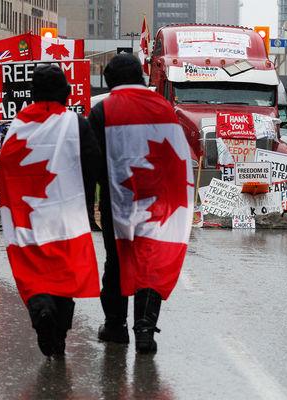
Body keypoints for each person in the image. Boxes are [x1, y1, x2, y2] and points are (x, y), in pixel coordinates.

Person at [88, 54, 194, 354]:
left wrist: (89, 202)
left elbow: (91, 162)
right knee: (151, 262)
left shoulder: (102, 111)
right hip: (161, 203)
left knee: (117, 261)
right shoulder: (164, 109)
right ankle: (145, 330)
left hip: (117, 202)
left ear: (109, 81)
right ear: (140, 76)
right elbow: (179, 158)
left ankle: (116, 327)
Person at [0, 64, 101, 357]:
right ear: (66, 93)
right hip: (66, 214)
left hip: (28, 215)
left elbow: (6, 169)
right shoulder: (75, 123)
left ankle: (41, 310)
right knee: (64, 274)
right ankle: (59, 334)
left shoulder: (17, 125)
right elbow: (93, 161)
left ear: (32, 94)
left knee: (34, 273)